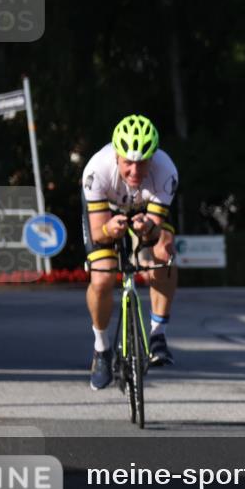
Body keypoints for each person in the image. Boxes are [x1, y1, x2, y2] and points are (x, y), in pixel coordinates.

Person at [81, 115, 179, 390]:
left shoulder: (165, 170)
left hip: (143, 211)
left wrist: (147, 227)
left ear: (153, 157)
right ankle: (101, 349)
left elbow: (156, 231)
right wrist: (111, 230)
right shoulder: (96, 171)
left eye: (142, 162)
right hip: (106, 213)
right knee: (101, 278)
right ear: (117, 157)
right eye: (128, 163)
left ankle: (158, 335)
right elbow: (98, 231)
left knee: (164, 252)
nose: (135, 170)